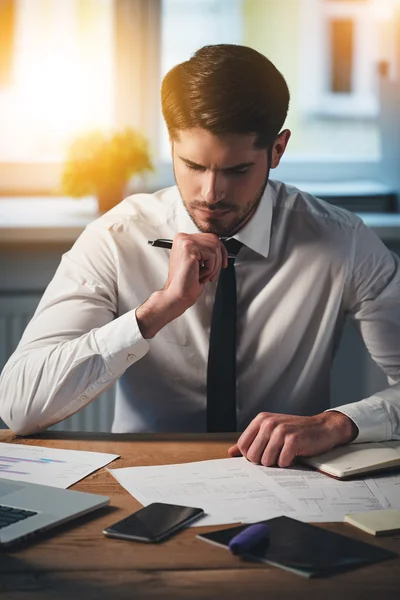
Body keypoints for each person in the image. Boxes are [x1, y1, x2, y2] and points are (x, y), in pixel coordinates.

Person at [1, 44, 400, 469]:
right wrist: (155, 312)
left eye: (237, 170)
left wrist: (338, 423)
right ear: (171, 143)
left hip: (291, 480)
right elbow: (19, 406)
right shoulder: (116, 239)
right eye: (193, 165)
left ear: (278, 150)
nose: (211, 194)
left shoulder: (343, 241)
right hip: (144, 480)